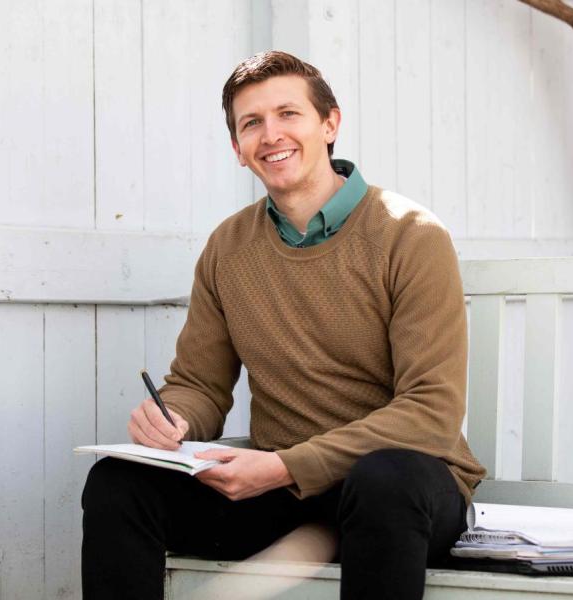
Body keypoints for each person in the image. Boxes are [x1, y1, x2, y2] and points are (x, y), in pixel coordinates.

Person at [81, 50, 485, 600]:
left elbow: (431, 412)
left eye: (288, 114)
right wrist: (172, 417)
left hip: (402, 490)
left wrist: (286, 467)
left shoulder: (411, 235)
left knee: (383, 481)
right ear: (238, 149)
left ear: (330, 124)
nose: (271, 134)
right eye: (252, 123)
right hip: (281, 489)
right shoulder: (228, 246)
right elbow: (200, 384)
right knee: (119, 483)